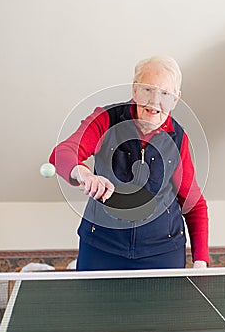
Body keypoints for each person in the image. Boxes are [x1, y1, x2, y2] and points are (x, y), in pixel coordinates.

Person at [49, 56, 209, 270]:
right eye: (147, 90)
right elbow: (63, 153)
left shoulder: (178, 138)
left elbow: (194, 204)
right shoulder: (105, 119)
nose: (154, 102)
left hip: (163, 252)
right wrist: (84, 174)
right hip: (101, 248)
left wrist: (201, 261)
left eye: (165, 94)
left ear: (175, 99)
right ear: (134, 90)